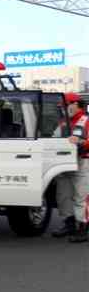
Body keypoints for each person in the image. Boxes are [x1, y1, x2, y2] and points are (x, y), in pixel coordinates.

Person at [53, 92, 89, 242]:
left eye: (66, 105)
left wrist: (81, 143)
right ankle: (69, 225)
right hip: (64, 162)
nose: (64, 109)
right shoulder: (63, 122)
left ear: (75, 104)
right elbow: (54, 138)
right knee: (63, 195)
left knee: (81, 196)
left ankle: (83, 228)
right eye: (62, 106)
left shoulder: (86, 120)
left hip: (83, 161)